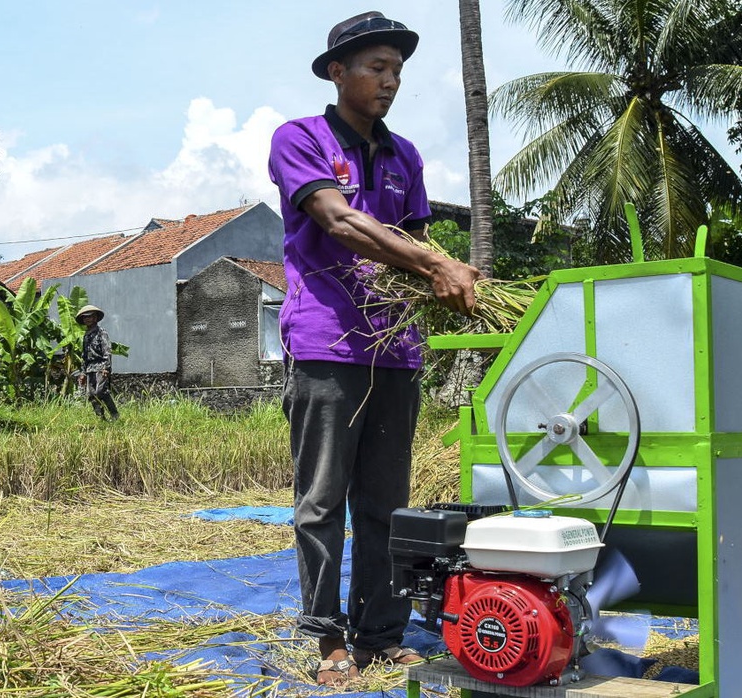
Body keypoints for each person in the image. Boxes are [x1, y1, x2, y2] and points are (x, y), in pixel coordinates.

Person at [267, 12, 480, 687]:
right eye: (377, 68)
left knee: (386, 505)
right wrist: (432, 260)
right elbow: (337, 220)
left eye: (397, 72)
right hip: (327, 344)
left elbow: (415, 257)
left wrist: (445, 271)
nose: (390, 82)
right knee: (322, 502)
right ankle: (328, 639)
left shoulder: (404, 156)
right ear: (338, 71)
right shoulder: (298, 138)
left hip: (394, 351)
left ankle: (382, 636)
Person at [76, 304, 120, 421]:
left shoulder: (102, 333)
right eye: (85, 317)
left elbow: (107, 351)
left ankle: (115, 415)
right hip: (90, 368)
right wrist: (82, 373)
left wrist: (106, 368)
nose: (87, 319)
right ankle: (101, 418)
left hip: (101, 366)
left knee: (101, 391)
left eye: (90, 316)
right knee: (91, 394)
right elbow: (84, 355)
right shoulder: (86, 336)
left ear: (95, 318)